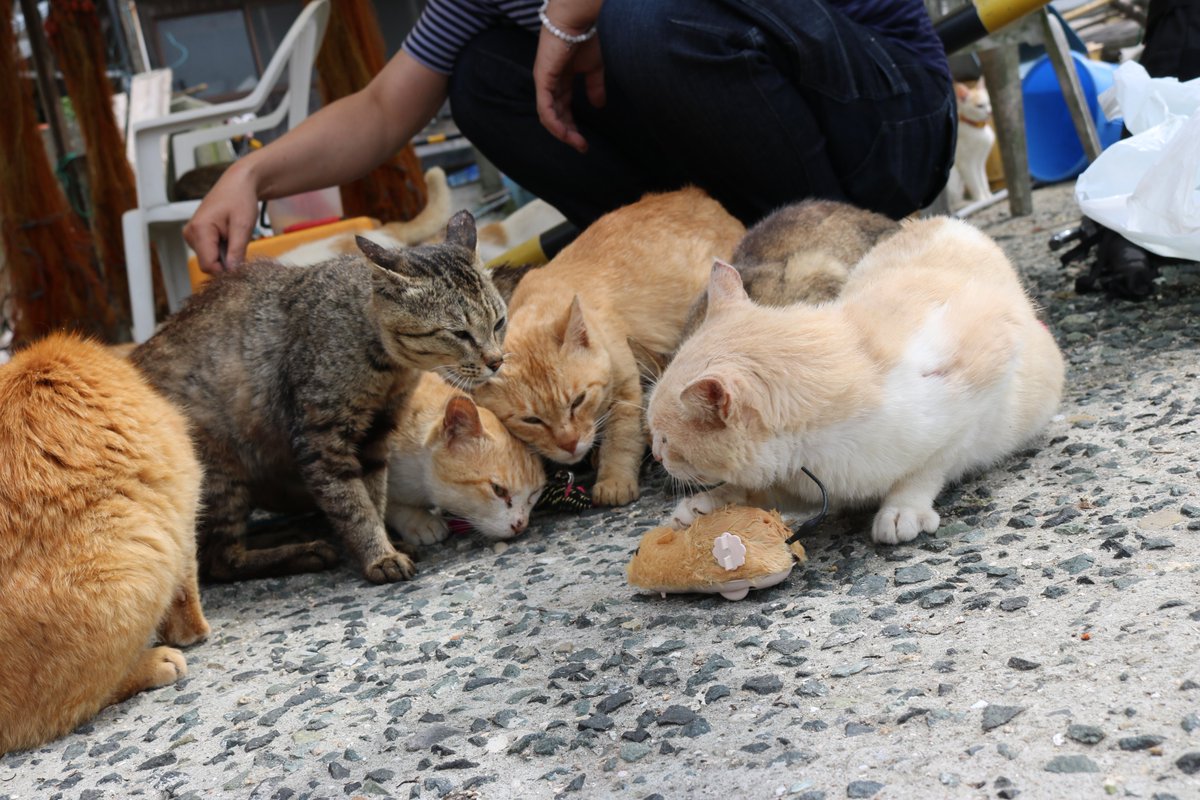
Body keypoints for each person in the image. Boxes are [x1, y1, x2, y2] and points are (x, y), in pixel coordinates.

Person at [185, 0, 955, 275]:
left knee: (642, 19)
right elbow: (385, 106)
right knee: (483, 75)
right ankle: (695, 272)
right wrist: (252, 177)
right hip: (757, 164)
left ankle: (820, 268)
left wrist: (571, 14)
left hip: (882, 125)